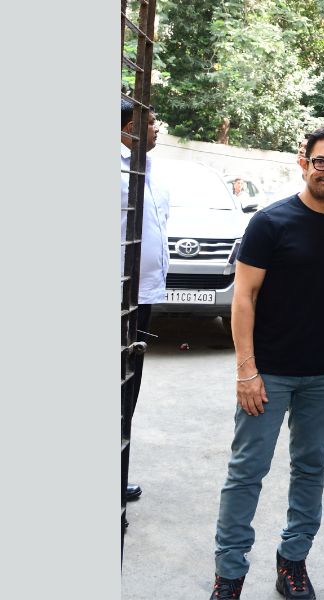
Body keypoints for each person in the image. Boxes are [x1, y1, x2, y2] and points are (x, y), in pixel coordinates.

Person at [209, 126, 324, 600]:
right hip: (268, 371)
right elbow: (243, 298)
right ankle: (229, 573)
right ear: (303, 162)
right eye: (321, 162)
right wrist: (246, 370)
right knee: (246, 471)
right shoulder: (270, 222)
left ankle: (293, 562)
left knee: (311, 468)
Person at [120, 99, 169, 506]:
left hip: (142, 295)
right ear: (129, 126)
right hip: (118, 297)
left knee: (128, 385)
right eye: (151, 123)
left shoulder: (145, 168)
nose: (156, 129)